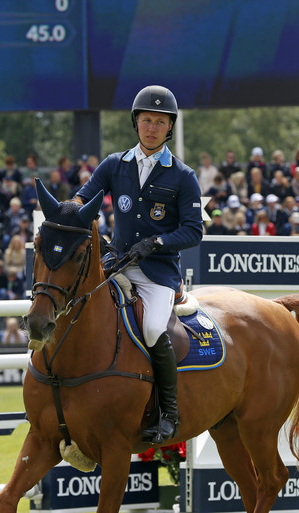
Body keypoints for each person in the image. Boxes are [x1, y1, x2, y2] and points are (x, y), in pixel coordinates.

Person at [74, 85, 202, 443]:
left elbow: (194, 231)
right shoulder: (115, 164)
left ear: (169, 128)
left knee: (150, 331)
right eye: (146, 120)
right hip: (115, 265)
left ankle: (168, 413)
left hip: (158, 274)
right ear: (136, 123)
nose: (152, 128)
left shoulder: (183, 176)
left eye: (160, 122)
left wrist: (158, 241)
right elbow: (84, 198)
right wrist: (71, 211)